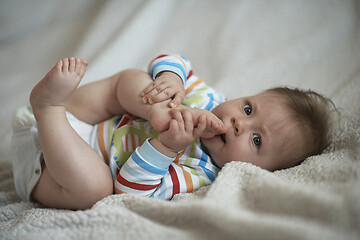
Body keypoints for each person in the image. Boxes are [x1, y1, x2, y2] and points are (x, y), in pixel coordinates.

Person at [11, 54, 334, 210]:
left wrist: (165, 147)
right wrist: (170, 81)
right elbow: (174, 59)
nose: (239, 122)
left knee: (95, 192)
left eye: (256, 139)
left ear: (259, 169)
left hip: (51, 170)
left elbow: (131, 195)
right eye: (248, 109)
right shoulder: (208, 98)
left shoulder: (200, 172)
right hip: (79, 117)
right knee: (133, 80)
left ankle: (47, 107)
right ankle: (56, 107)